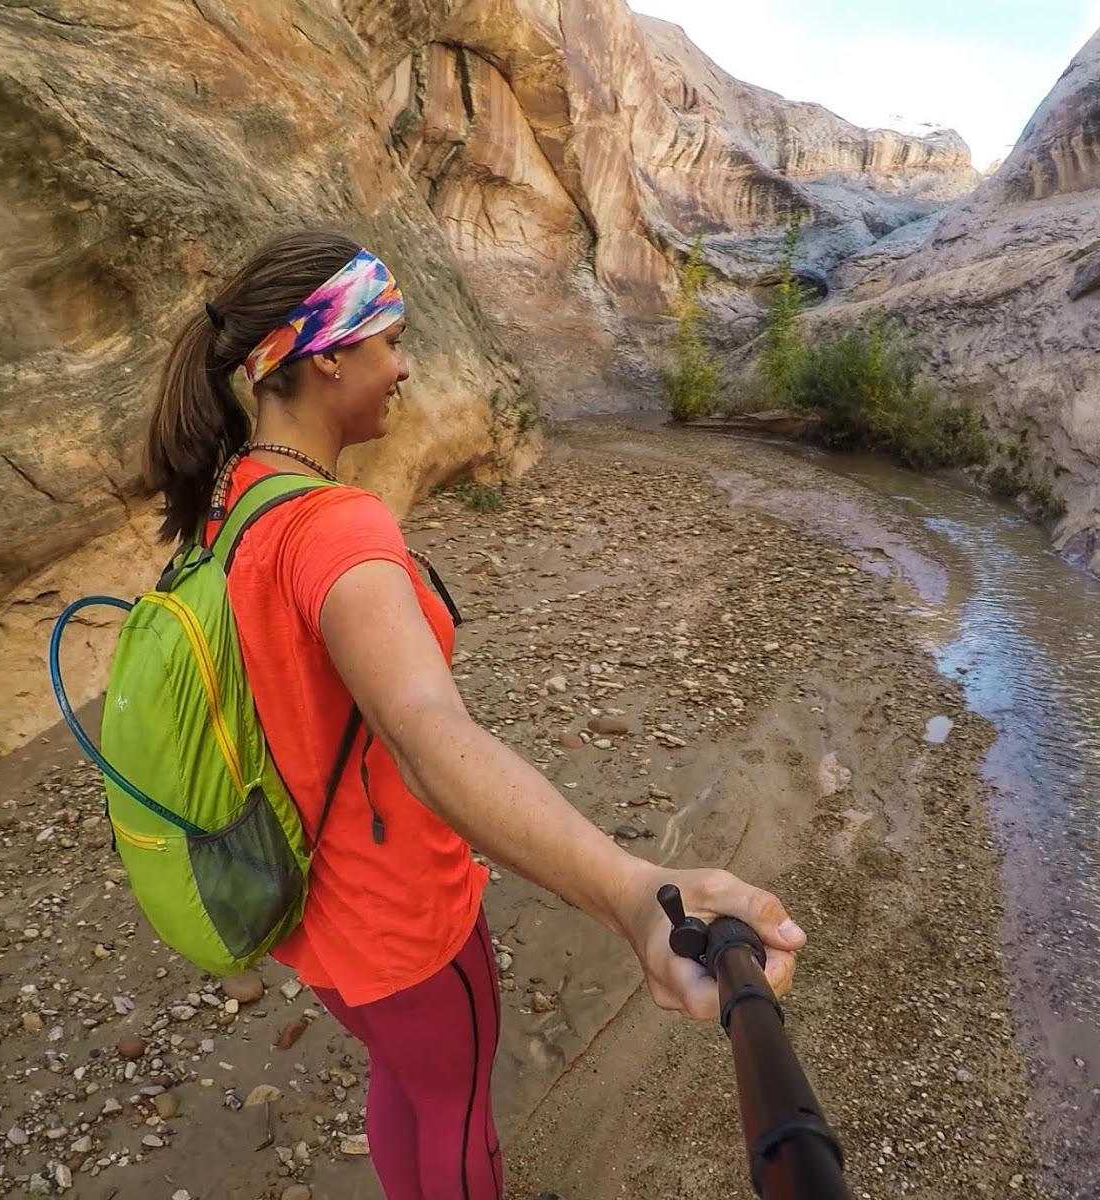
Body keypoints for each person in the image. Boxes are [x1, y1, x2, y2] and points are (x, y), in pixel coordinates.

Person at [137, 229, 808, 1199]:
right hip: (399, 914)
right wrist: (630, 891)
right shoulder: (336, 525)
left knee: (402, 1081)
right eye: (390, 340)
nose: (404, 367)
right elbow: (424, 729)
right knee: (453, 1116)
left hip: (302, 903)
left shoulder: (231, 506)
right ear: (327, 356)